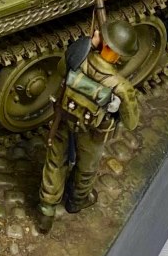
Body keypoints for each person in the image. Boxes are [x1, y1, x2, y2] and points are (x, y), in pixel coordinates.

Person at [37, 19, 140, 232]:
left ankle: (46, 211)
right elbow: (131, 122)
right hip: (92, 131)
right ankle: (77, 201)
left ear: (102, 42)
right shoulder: (121, 86)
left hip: (64, 118)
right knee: (87, 168)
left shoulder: (79, 59)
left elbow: (61, 68)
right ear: (119, 55)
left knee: (55, 162)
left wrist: (87, 45)